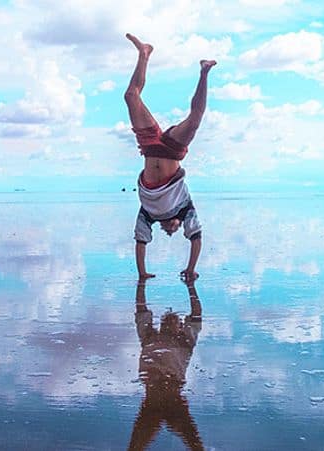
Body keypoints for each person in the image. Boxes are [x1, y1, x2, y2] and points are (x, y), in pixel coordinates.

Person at [124, 33, 215, 283]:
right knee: (195, 120)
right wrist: (191, 268)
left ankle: (144, 53)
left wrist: (142, 273)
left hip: (150, 146)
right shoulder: (185, 210)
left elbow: (140, 242)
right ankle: (204, 72)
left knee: (131, 96)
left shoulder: (148, 214)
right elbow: (196, 239)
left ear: (164, 227)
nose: (173, 229)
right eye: (176, 229)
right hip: (173, 151)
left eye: (170, 230)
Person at [128, 278, 204, 451]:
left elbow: (197, 313)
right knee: (135, 447)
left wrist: (191, 286)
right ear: (160, 326)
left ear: (180, 326)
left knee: (195, 444)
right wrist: (141, 282)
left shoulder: (186, 342)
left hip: (169, 397)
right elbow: (140, 308)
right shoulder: (149, 337)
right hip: (157, 396)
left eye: (174, 321)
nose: (169, 323)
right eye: (166, 321)